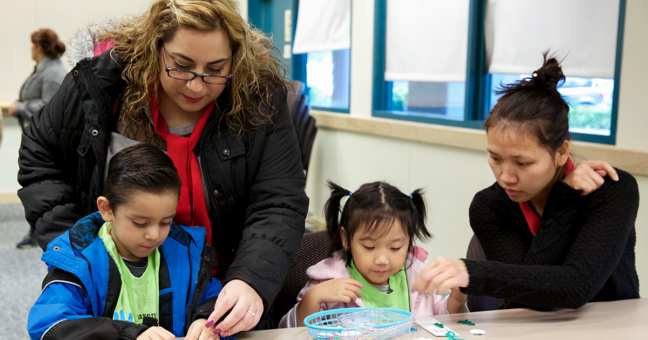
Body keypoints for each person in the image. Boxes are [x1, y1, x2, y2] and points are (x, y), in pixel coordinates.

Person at [18, 0, 308, 335]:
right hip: (114, 285)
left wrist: (251, 281)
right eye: (181, 66)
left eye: (216, 69)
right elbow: (40, 153)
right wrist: (78, 247)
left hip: (213, 288)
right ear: (156, 47)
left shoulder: (260, 100)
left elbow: (278, 202)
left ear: (236, 59)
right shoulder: (100, 85)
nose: (196, 86)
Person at [411, 53, 640, 310]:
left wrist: (473, 272)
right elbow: (533, 297)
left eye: (522, 163)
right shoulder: (489, 205)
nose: (505, 177)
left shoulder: (611, 189)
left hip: (611, 325)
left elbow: (578, 286)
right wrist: (562, 196)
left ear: (561, 152)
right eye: (495, 158)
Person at [27, 144, 223, 340]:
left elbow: (218, 300)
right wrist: (128, 334)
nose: (154, 235)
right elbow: (49, 326)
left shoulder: (187, 254)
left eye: (166, 222)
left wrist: (206, 319)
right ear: (106, 209)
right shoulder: (78, 261)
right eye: (140, 223)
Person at [279, 181, 468, 328]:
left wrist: (457, 300)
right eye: (369, 247)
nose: (382, 260)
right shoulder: (327, 279)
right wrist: (313, 297)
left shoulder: (418, 273)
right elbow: (292, 333)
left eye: (395, 248)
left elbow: (438, 320)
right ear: (346, 238)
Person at [11, 28, 67, 248]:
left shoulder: (53, 72)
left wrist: (20, 107)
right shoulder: (43, 69)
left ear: (40, 47)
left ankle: (39, 232)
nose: (31, 50)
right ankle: (37, 230)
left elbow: (48, 107)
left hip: (46, 143)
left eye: (33, 45)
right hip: (35, 139)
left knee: (41, 187)